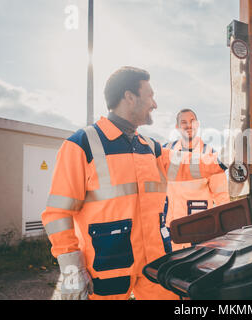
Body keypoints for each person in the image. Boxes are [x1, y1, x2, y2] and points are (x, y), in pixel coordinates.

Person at [41, 67, 226, 300]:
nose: (155, 104)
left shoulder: (150, 147)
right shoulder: (81, 145)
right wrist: (71, 269)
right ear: (130, 97)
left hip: (155, 262)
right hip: (107, 267)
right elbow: (57, 213)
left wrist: (224, 161)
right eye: (150, 95)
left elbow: (188, 164)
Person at [161, 109, 230, 252]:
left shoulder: (210, 154)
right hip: (172, 226)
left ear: (198, 124)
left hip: (201, 226)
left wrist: (226, 227)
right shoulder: (166, 150)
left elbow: (221, 195)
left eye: (192, 121)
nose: (188, 126)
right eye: (183, 122)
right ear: (177, 127)